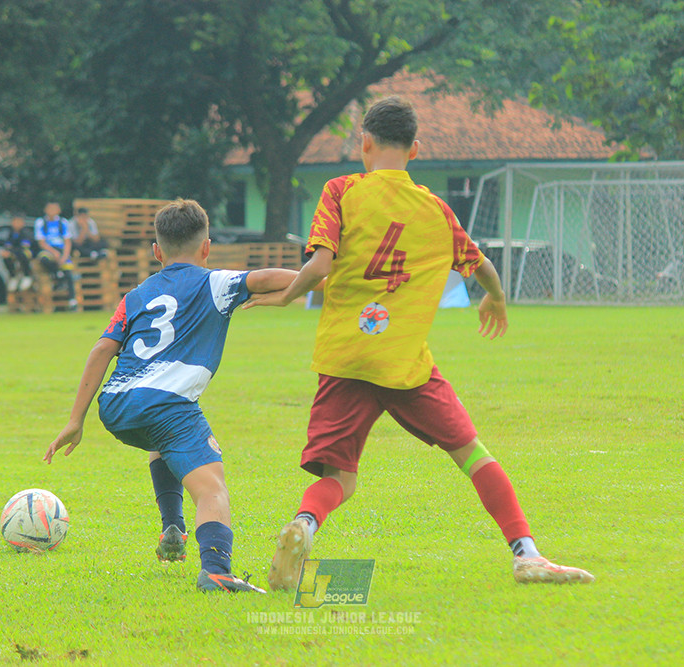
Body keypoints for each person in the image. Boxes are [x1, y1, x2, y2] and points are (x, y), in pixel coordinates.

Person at [245, 96, 594, 590]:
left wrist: (286, 297)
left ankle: (304, 524)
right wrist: (495, 298)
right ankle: (527, 554)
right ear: (415, 150)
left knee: (340, 480)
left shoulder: (341, 190)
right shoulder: (436, 210)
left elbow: (320, 265)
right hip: (405, 364)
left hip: (345, 359)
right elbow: (482, 267)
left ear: (364, 143)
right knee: (472, 454)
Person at [44, 198, 297, 594]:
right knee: (211, 488)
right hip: (166, 404)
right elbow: (267, 278)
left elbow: (101, 350)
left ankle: (172, 526)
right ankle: (216, 571)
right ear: (207, 247)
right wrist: (318, 279)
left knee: (162, 439)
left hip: (116, 405)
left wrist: (76, 421)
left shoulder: (135, 296)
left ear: (156, 251)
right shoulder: (216, 282)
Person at [33, 202, 78, 309]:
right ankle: (57, 273)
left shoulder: (63, 222)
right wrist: (54, 252)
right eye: (50, 208)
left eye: (54, 208)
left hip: (62, 250)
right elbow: (41, 242)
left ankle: (72, 300)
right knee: (44, 259)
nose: (52, 211)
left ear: (59, 210)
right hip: (48, 249)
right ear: (45, 210)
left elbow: (67, 242)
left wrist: (64, 256)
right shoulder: (40, 222)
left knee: (68, 272)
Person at [1, 213, 37, 292]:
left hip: (30, 253)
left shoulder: (26, 233)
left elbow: (24, 247)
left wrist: (11, 251)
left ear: (22, 223)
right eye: (14, 221)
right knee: (5, 256)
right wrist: (6, 251)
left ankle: (27, 275)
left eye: (18, 221)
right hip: (16, 253)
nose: (16, 224)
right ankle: (13, 276)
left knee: (23, 254)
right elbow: (7, 245)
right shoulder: (11, 233)